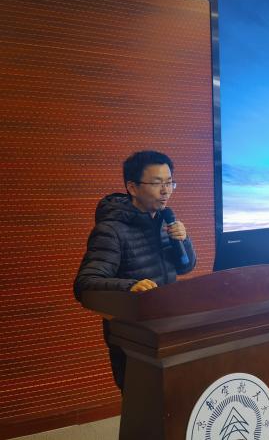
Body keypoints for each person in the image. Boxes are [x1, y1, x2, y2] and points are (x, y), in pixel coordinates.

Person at [73, 150, 196, 391]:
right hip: (133, 337)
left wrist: (183, 240)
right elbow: (85, 283)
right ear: (132, 187)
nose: (166, 191)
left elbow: (185, 266)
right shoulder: (111, 230)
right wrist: (131, 287)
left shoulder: (165, 221)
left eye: (170, 183)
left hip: (167, 328)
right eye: (157, 183)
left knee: (176, 399)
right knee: (143, 402)